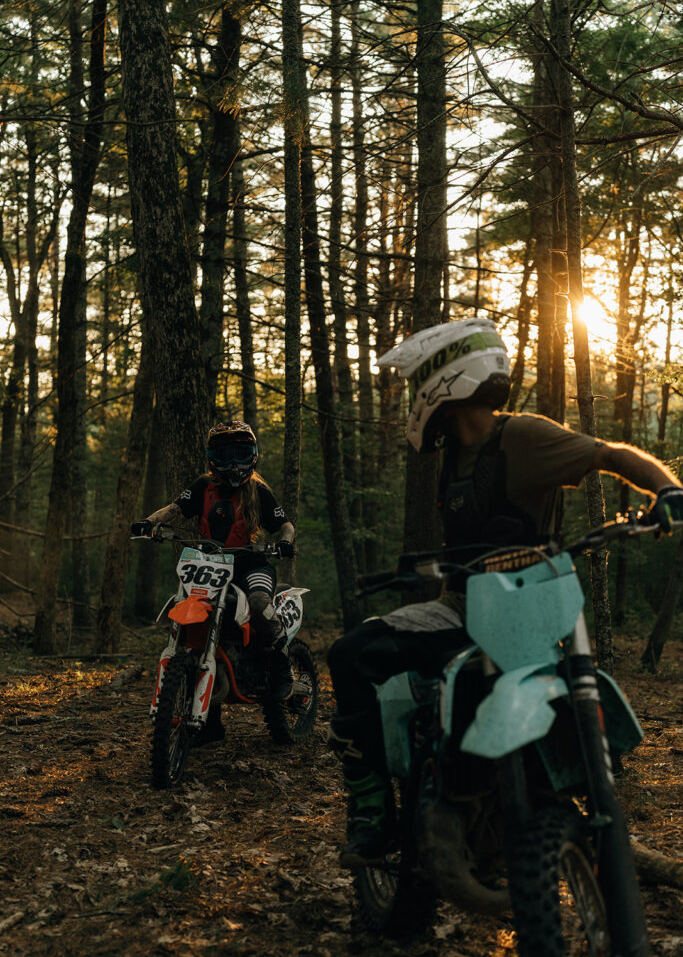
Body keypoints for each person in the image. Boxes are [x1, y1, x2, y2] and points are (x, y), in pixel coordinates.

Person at [327, 318, 683, 868]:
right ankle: (372, 814)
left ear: (443, 381)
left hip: (525, 613)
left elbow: (610, 454)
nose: (413, 396)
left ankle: (585, 822)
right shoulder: (453, 459)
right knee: (351, 655)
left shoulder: (522, 437)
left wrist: (667, 489)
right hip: (461, 610)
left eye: (417, 381)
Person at [131, 421, 296, 742]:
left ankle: (281, 671)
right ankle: (209, 721)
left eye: (241, 453)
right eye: (225, 454)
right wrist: (149, 522)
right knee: (199, 627)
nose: (234, 462)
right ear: (211, 457)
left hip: (252, 565)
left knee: (262, 606)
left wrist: (286, 541)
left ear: (253, 456)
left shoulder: (259, 490)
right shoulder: (202, 487)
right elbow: (176, 508)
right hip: (210, 565)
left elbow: (284, 524)